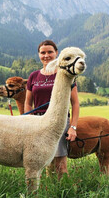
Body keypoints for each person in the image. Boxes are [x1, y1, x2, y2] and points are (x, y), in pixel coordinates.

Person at [24, 40, 79, 179]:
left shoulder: (66, 74)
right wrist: (26, 122)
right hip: (37, 123)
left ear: (56, 54)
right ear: (39, 55)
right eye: (43, 52)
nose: (46, 55)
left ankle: (63, 192)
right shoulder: (34, 76)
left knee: (60, 164)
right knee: (39, 163)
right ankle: (46, 190)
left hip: (58, 123)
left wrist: (73, 127)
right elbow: (28, 103)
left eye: (50, 52)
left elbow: (75, 103)